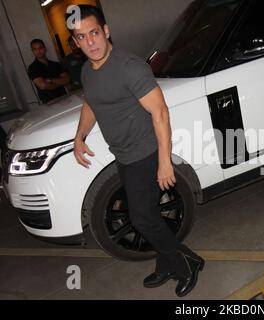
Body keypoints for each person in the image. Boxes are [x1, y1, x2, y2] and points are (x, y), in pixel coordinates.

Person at [69, 5, 204, 297]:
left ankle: (186, 264)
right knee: (148, 215)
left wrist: (164, 162)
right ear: (76, 42)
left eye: (94, 33)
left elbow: (160, 113)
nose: (90, 42)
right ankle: (167, 263)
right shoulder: (88, 71)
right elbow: (91, 103)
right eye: (81, 37)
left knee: (142, 218)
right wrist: (79, 136)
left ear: (106, 31)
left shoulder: (129, 67)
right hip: (123, 156)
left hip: (146, 154)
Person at [28, 39, 70, 103]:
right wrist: (60, 82)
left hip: (64, 98)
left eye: (40, 47)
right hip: (49, 102)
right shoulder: (32, 68)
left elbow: (66, 80)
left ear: (45, 48)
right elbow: (43, 86)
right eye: (35, 49)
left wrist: (51, 80)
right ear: (32, 51)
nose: (38, 51)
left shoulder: (56, 64)